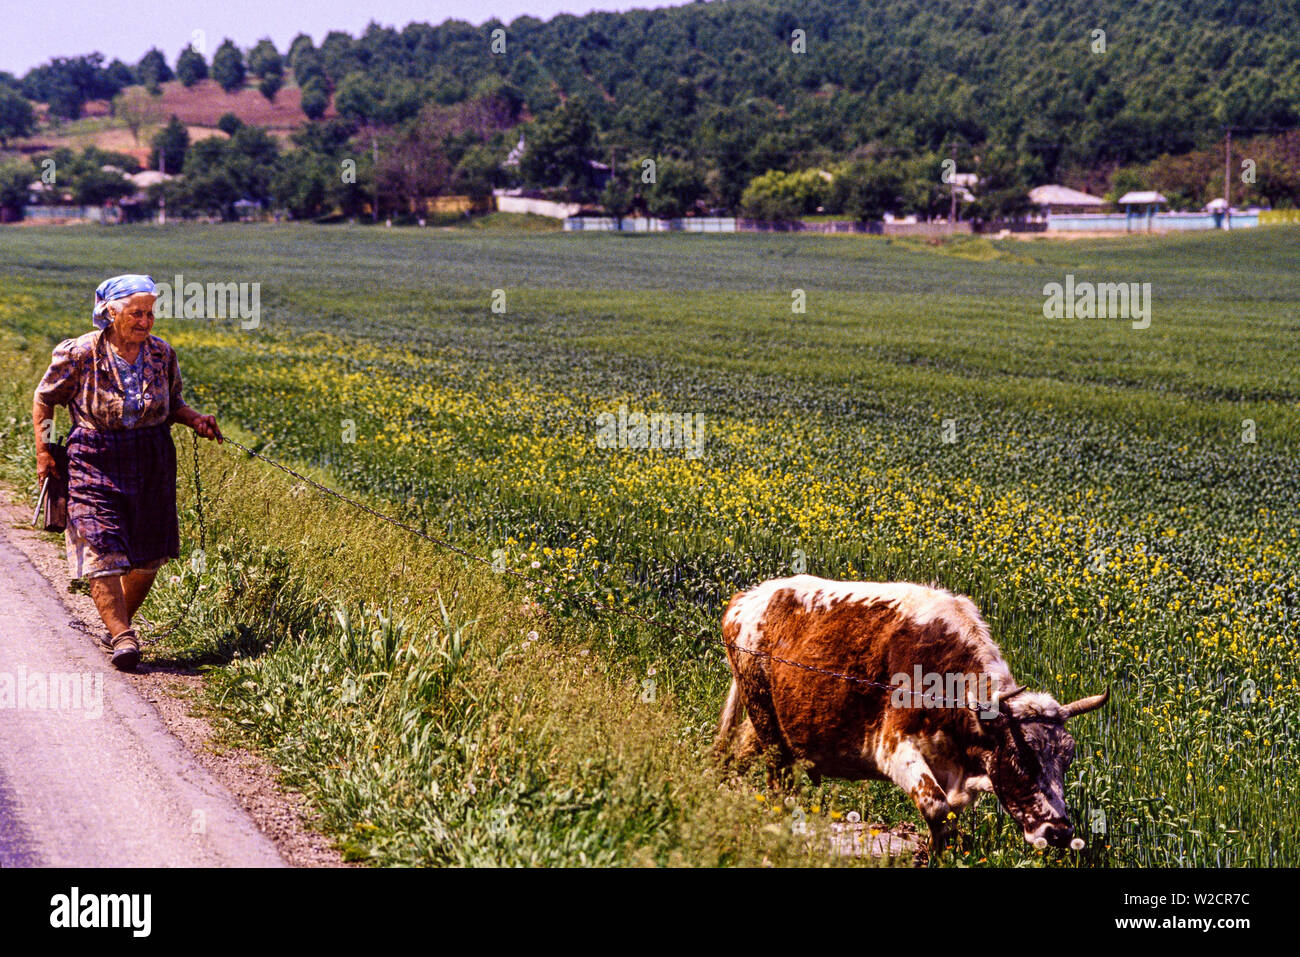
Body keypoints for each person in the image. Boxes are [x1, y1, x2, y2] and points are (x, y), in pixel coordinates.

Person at [32, 274, 223, 671]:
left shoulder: (161, 354)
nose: (145, 321)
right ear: (109, 313)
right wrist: (45, 451)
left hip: (152, 455)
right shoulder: (80, 353)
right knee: (100, 546)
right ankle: (122, 635)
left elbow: (173, 405)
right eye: (136, 313)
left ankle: (117, 622)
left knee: (149, 554)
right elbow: (44, 399)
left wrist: (196, 420)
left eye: (150, 313)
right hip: (94, 454)